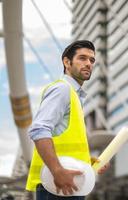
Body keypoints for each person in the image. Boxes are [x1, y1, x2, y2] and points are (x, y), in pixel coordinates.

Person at [26, 40, 108, 199]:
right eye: (82, 58)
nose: (88, 64)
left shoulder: (74, 95)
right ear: (66, 62)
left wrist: (85, 162)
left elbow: (62, 140)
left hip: (69, 182)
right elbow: (38, 130)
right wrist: (57, 171)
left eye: (92, 60)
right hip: (57, 184)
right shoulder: (62, 89)